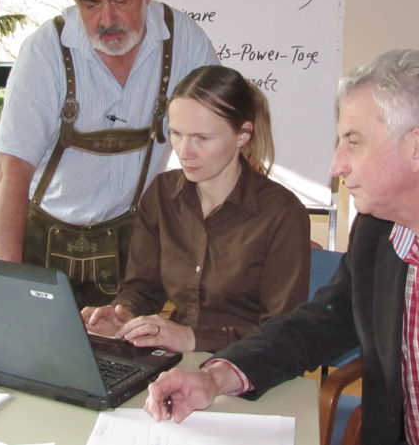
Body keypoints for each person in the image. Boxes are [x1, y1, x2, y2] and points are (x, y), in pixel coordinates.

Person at [144, 50, 419, 445]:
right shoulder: (378, 233)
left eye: (353, 142)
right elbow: (319, 325)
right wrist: (214, 376)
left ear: (418, 148)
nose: (336, 164)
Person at [0, 0, 218, 303]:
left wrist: (255, 230)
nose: (106, 19)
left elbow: (218, 145)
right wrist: (8, 287)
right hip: (44, 243)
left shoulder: (185, 41)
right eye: (90, 4)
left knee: (127, 359)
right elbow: (11, 174)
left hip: (133, 247)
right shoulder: (45, 52)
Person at [81, 65, 311, 353]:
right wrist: (122, 315)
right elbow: (142, 287)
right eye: (176, 134)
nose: (184, 151)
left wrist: (191, 338)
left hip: (250, 368)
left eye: (202, 139)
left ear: (242, 135)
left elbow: (283, 333)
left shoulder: (282, 213)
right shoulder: (163, 194)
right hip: (174, 360)